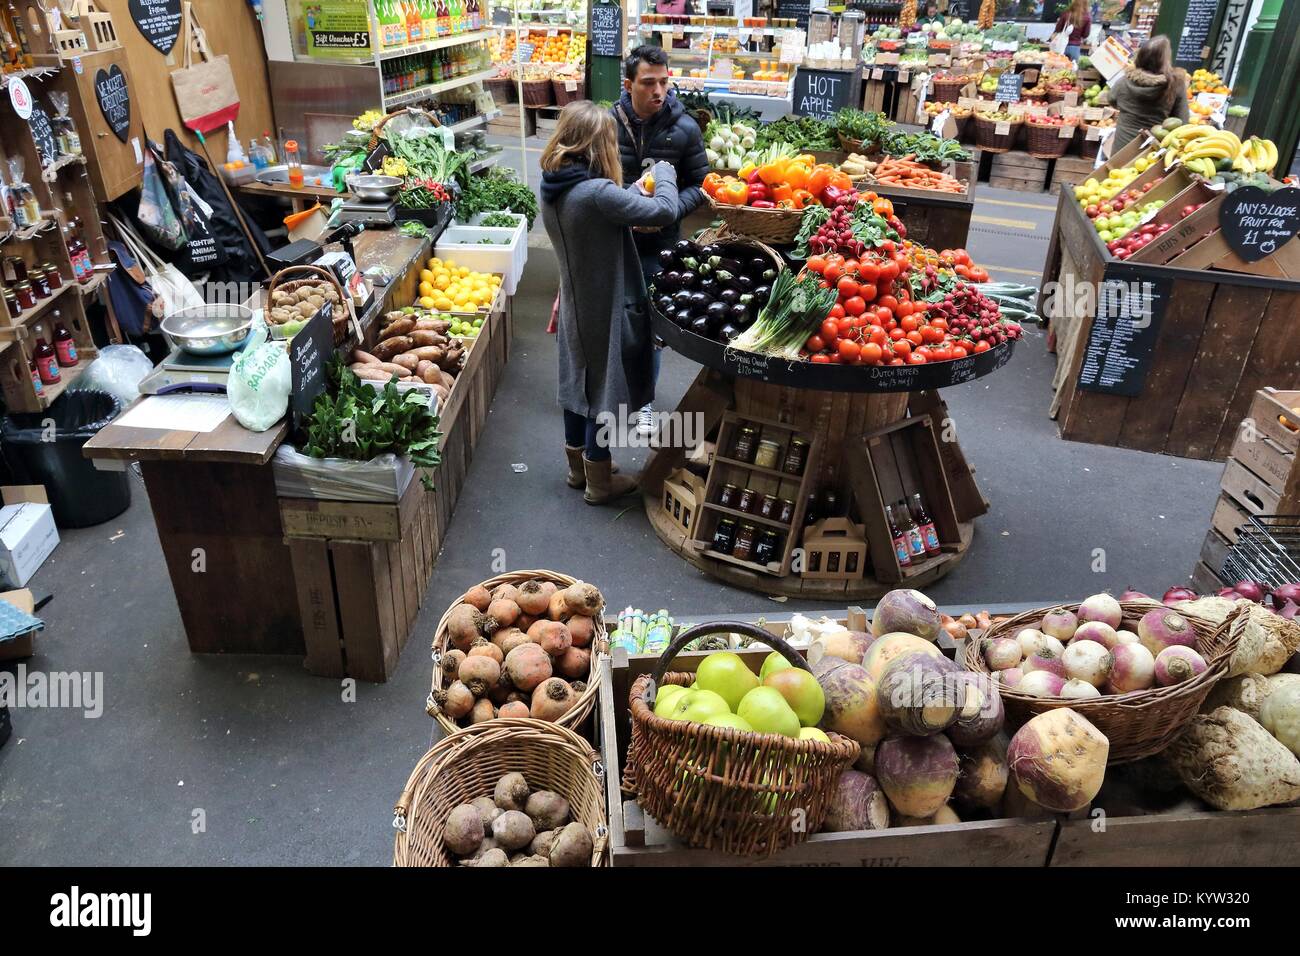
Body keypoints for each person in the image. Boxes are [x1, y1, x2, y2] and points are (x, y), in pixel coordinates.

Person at [541, 101, 680, 505]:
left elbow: (609, 209)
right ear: (598, 144)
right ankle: (599, 480)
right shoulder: (597, 193)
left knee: (576, 382)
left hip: (574, 301)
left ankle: (577, 468)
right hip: (604, 306)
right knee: (605, 387)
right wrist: (664, 173)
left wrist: (632, 191)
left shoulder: (556, 184)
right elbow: (665, 209)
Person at [612, 45, 709, 437]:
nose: (659, 91)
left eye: (664, 82)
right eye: (649, 83)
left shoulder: (685, 129)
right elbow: (595, 178)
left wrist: (668, 211)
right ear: (629, 84)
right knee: (612, 323)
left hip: (661, 247)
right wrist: (624, 207)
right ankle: (608, 394)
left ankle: (645, 403)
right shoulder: (608, 125)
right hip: (615, 242)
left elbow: (702, 186)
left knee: (651, 328)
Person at [1098, 35, 1189, 151]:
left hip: (1121, 150)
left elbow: (1112, 99)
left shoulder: (1125, 81)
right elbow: (1182, 121)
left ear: (1140, 57)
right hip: (1151, 153)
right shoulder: (1175, 84)